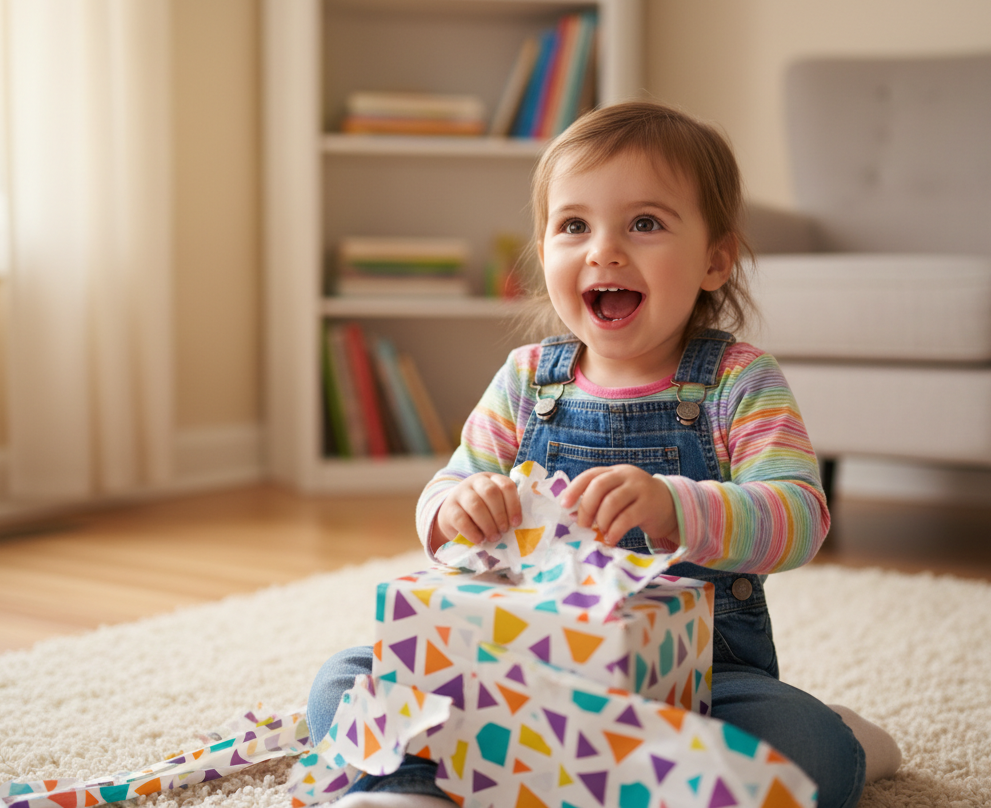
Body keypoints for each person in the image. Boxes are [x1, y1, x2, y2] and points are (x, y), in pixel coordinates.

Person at [307, 100, 900, 808]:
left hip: (697, 685)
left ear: (715, 259)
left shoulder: (739, 381)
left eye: (644, 224)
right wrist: (455, 506)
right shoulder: (528, 380)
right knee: (346, 677)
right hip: (519, 663)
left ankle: (841, 740)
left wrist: (677, 503)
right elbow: (449, 487)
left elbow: (799, 517)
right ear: (545, 248)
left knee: (806, 751)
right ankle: (406, 791)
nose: (604, 250)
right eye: (574, 226)